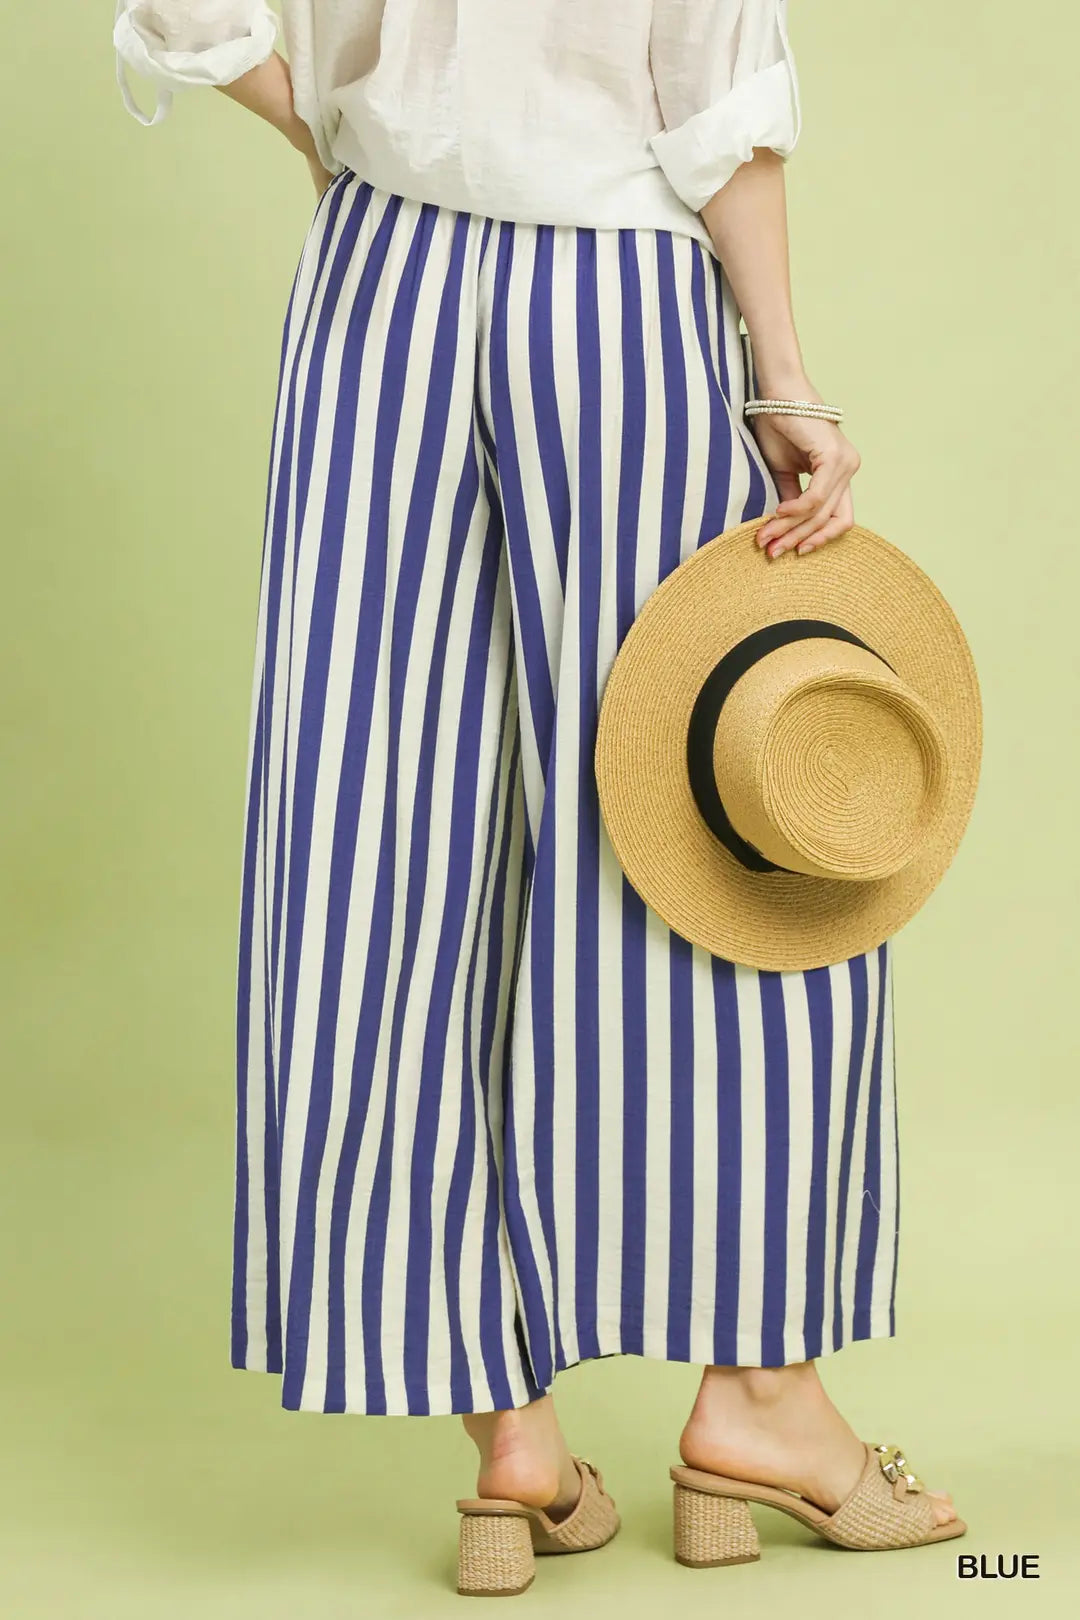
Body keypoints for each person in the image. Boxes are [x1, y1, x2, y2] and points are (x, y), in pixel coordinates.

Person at [112, 0, 961, 1587]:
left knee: (372, 833)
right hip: (615, 293)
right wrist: (787, 380)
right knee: (716, 817)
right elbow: (714, 90)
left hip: (377, 286)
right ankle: (760, 1398)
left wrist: (344, 137)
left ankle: (507, 1437)